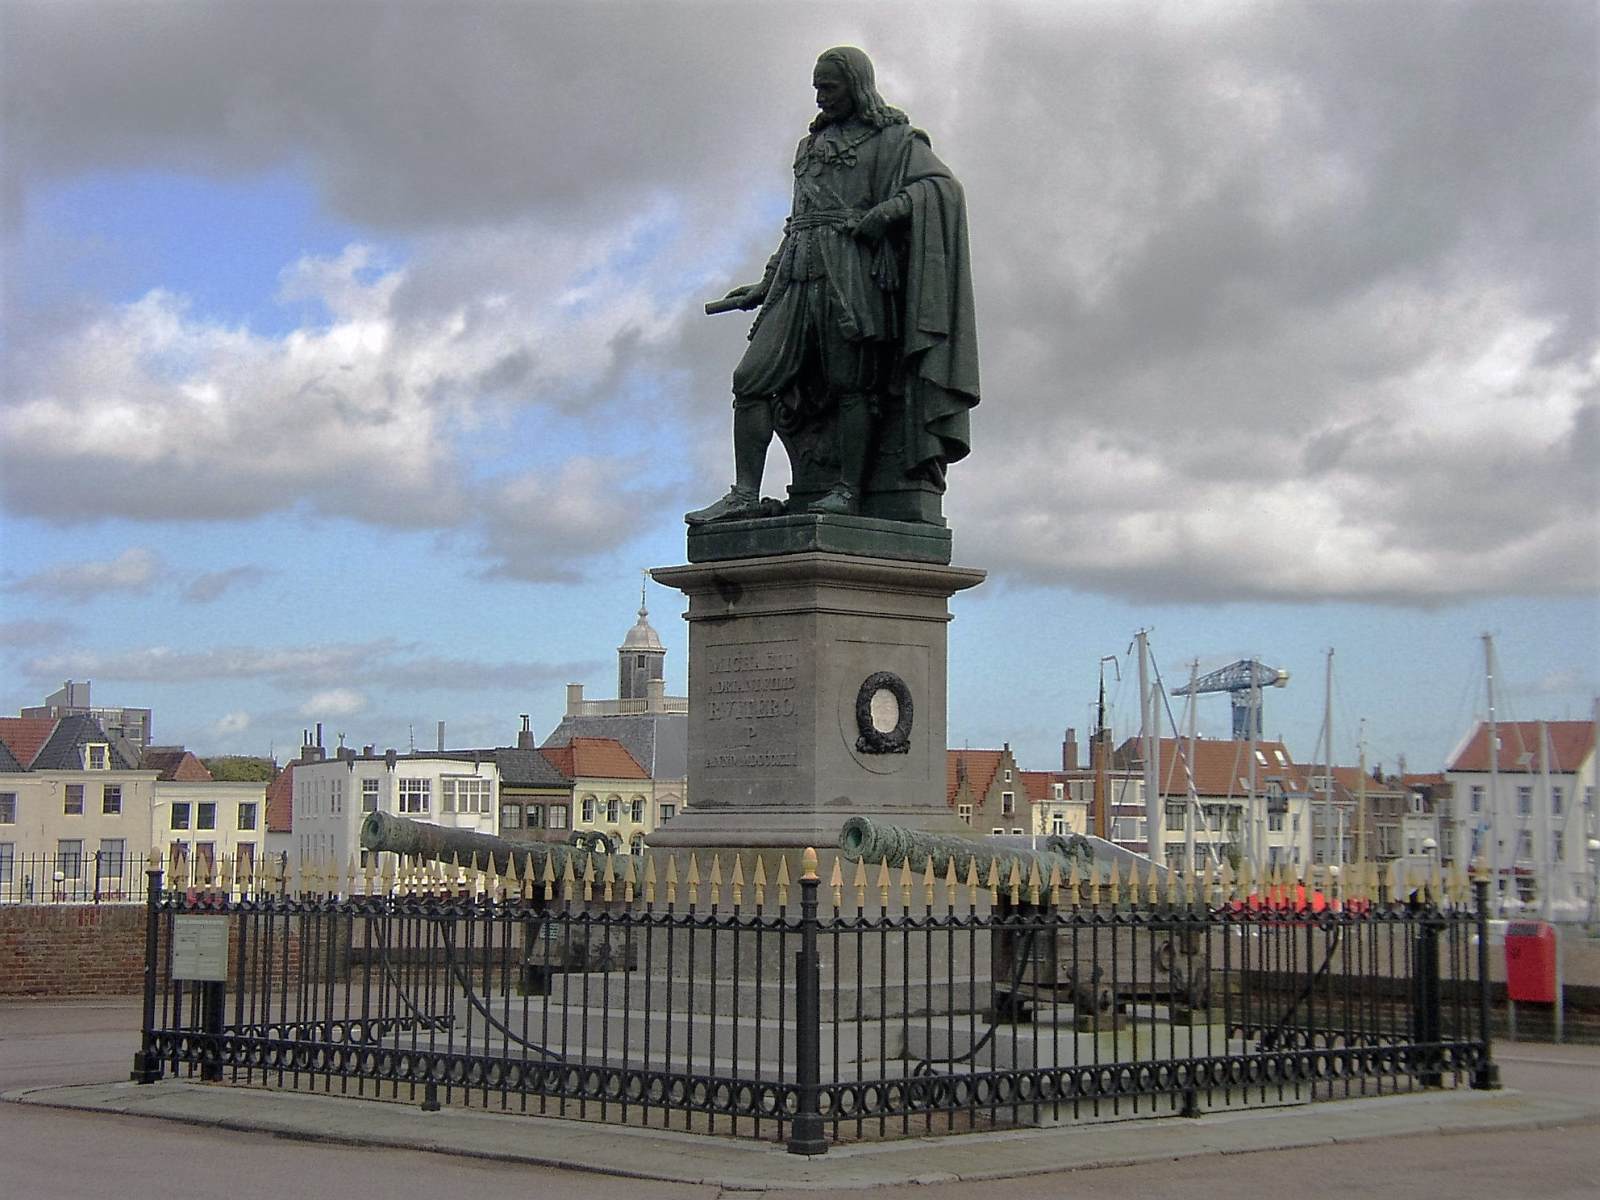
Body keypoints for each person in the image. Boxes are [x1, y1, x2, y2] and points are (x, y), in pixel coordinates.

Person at [687, 46, 978, 525]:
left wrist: (886, 212)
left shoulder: (893, 139)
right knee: (750, 378)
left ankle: (848, 490)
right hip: (797, 273)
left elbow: (941, 188)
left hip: (852, 270)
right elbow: (797, 222)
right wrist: (764, 284)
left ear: (857, 86)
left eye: (830, 87)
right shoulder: (809, 147)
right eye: (817, 88)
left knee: (852, 385)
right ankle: (744, 493)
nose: (821, 97)